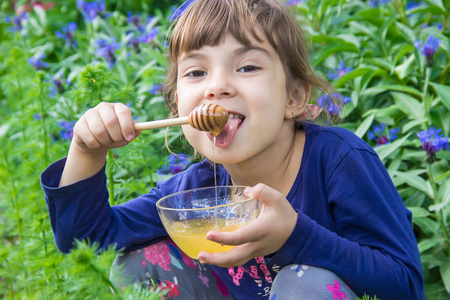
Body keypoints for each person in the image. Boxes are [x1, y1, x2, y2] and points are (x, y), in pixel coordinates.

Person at [40, 0, 425, 299]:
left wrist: (294, 236)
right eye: (196, 72)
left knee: (302, 284)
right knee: (135, 265)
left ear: (293, 97)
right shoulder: (193, 194)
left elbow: (405, 286)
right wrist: (86, 151)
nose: (217, 87)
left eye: (247, 67)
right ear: (177, 109)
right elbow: (87, 243)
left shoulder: (339, 163)